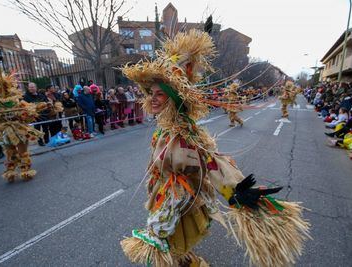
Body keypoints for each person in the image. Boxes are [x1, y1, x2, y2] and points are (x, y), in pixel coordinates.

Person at [120, 29, 309, 267]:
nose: (153, 98)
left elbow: (212, 161)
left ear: (174, 100)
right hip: (162, 197)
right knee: (175, 252)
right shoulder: (163, 129)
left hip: (178, 203)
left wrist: (238, 191)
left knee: (167, 252)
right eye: (152, 93)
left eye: (160, 94)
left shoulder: (185, 133)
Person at [0, 70, 46, 182]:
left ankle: (25, 170)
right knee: (10, 151)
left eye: (5, 87)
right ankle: (11, 170)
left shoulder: (16, 101)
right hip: (4, 130)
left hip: (19, 128)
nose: (3, 90)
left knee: (23, 151)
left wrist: (36, 109)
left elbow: (28, 112)